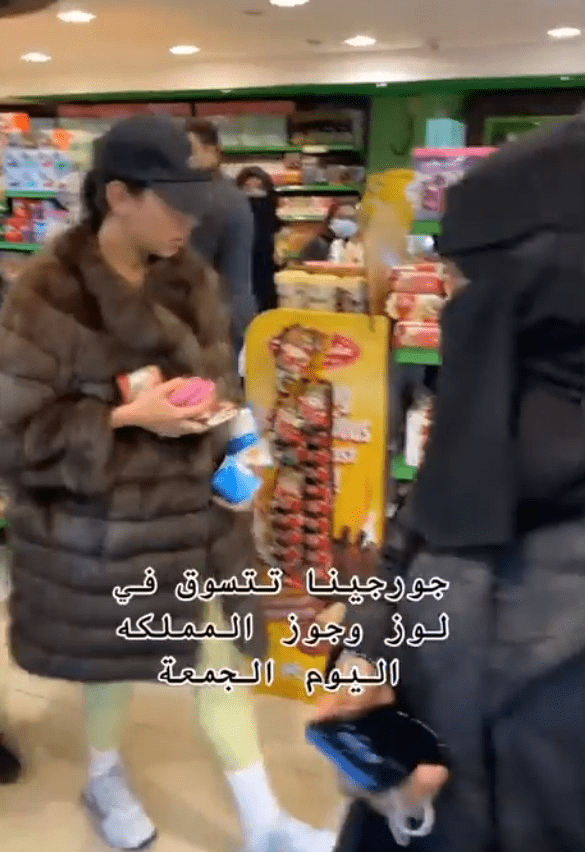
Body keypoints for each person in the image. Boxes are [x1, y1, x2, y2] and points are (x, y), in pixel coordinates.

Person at [0, 116, 334, 852]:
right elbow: (16, 437)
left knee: (220, 657)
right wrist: (123, 416)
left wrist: (235, 438)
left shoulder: (191, 280)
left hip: (198, 515)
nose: (190, 221)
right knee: (113, 664)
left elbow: (216, 384)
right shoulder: (48, 294)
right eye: (174, 203)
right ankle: (103, 774)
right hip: (102, 528)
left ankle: (265, 824)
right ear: (119, 196)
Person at [317, 113, 585, 852]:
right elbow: (414, 535)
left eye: (465, 281)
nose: (446, 303)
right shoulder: (493, 432)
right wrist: (363, 657)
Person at [186, 117, 257, 355]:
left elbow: (194, 262)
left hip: (210, 317)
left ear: (211, 150)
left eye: (189, 150)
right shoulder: (232, 192)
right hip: (235, 309)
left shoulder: (207, 198)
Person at [236, 166, 279, 312]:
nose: (253, 192)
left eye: (258, 187)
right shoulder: (237, 208)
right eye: (247, 186)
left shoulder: (268, 207)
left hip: (263, 262)